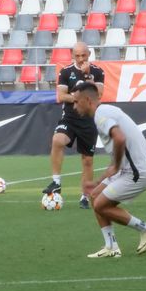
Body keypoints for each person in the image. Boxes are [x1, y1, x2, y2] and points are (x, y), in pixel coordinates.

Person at [71, 83, 146, 257]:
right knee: (95, 196)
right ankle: (111, 247)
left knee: (100, 205)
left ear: (87, 100)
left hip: (139, 172)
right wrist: (107, 173)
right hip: (131, 169)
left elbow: (119, 138)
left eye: (76, 102)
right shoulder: (105, 111)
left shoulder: (101, 113)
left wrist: (116, 166)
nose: (74, 106)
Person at [44, 42, 103, 209]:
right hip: (69, 118)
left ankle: (85, 196)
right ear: (72, 55)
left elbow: (98, 95)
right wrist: (81, 98)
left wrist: (87, 76)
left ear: (89, 54)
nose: (80, 59)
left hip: (88, 121)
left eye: (83, 55)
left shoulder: (98, 72)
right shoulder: (66, 72)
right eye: (77, 55)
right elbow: (61, 96)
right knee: (57, 140)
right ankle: (56, 182)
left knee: (87, 161)